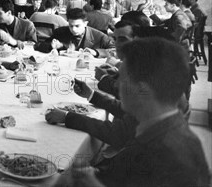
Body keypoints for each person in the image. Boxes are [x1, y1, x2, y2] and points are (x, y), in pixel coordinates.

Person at [69, 38, 209, 187]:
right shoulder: (174, 130)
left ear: (142, 89)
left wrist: (91, 182)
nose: (116, 84)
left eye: (121, 79)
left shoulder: (154, 154)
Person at [36, 8, 113, 57]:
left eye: (77, 26)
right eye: (70, 26)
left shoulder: (100, 36)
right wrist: (51, 46)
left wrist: (96, 52)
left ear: (85, 23)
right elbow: (38, 45)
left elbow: (114, 51)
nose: (73, 29)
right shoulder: (60, 32)